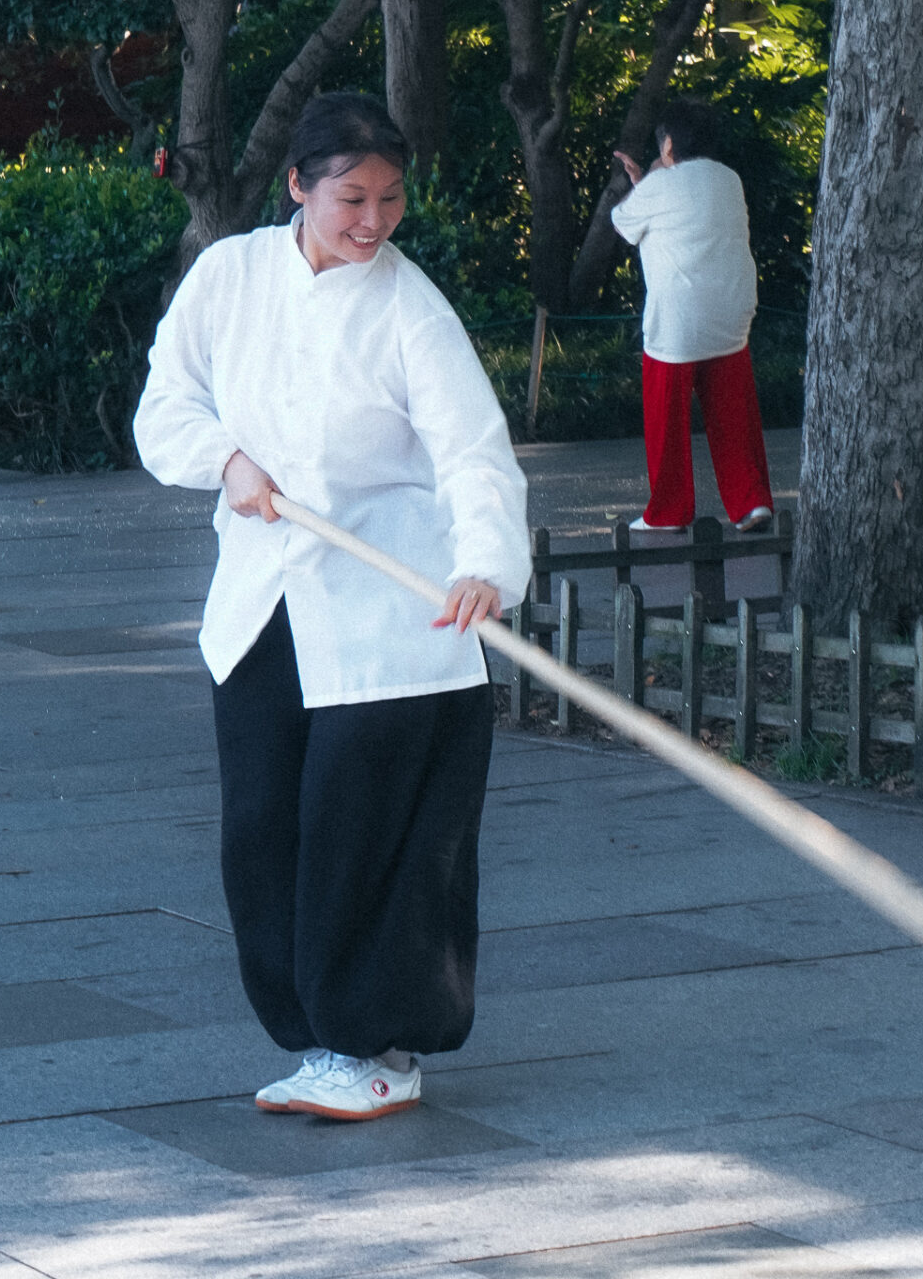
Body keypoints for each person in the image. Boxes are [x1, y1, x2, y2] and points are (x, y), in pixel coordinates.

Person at [133, 92, 530, 1122]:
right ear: (298, 187)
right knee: (264, 829)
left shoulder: (408, 307)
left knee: (366, 836)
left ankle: (378, 1045)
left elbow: (470, 452)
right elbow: (164, 404)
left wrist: (485, 562)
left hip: (394, 614)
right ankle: (313, 1040)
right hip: (263, 602)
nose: (372, 220)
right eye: (350, 197)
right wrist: (224, 460)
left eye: (390, 199)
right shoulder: (231, 278)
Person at [611, 97, 774, 534]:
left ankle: (668, 511)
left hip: (677, 325)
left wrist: (643, 183)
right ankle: (751, 502)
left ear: (667, 146)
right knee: (733, 414)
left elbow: (622, 224)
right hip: (733, 316)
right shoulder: (730, 180)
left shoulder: (657, 186)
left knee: (666, 418)